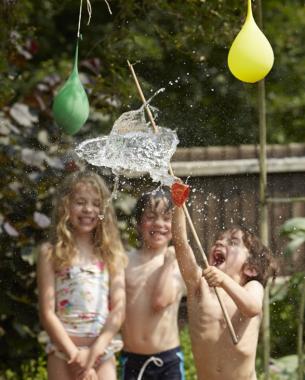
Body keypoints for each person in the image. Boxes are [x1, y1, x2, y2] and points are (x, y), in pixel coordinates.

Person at [37, 170, 127, 380]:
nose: (88, 209)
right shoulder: (50, 253)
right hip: (63, 351)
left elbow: (119, 310)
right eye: (80, 202)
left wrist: (93, 354)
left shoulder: (111, 253)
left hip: (101, 352)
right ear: (66, 206)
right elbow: (47, 312)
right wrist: (75, 355)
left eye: (96, 204)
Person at [172, 202, 276, 380]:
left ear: (251, 268)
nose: (220, 242)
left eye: (233, 242)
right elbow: (181, 244)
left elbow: (252, 308)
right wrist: (178, 206)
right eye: (219, 239)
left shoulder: (251, 287)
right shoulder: (199, 287)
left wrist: (224, 281)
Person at [121, 187, 187, 380]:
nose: (159, 224)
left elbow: (160, 301)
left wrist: (167, 263)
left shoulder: (177, 265)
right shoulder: (125, 261)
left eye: (167, 218)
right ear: (138, 223)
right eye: (150, 217)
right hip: (132, 359)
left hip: (168, 361)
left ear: (175, 226)